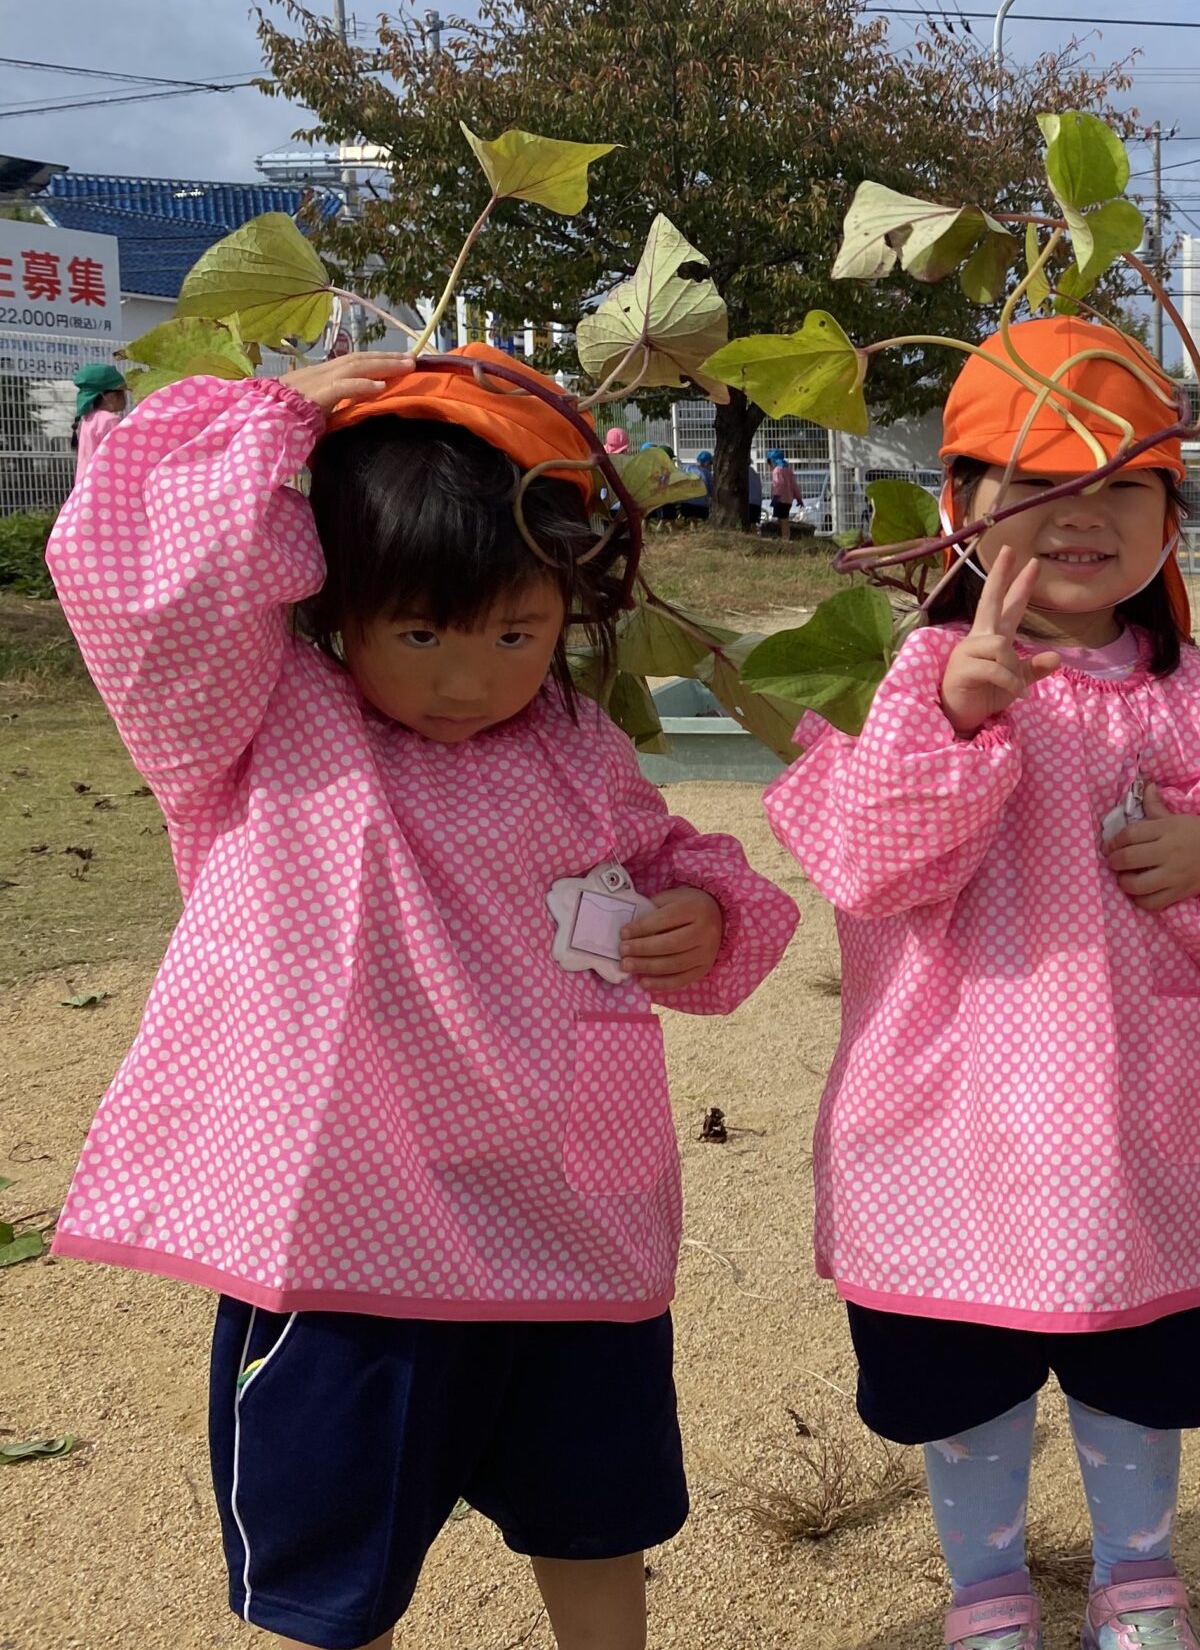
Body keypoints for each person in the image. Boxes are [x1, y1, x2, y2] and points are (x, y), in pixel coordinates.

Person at [43, 344, 800, 1650]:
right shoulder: (257, 723)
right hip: (349, 1242)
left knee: (595, 1512)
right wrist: (273, 416)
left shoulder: (575, 743)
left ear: (570, 605)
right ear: (338, 605)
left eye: (519, 630)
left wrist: (709, 915)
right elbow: (133, 568)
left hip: (566, 1223)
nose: (471, 675)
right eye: (422, 632)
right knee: (333, 1563)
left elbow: (673, 859)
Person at [764, 315, 1200, 1650]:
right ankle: (990, 1585)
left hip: (1144, 1121)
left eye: (1126, 485)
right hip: (954, 1128)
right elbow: (873, 868)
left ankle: (1138, 1570)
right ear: (958, 507)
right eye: (1041, 486)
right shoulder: (909, 682)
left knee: (1139, 1368)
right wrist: (952, 712)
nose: (1087, 517)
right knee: (967, 1385)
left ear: (1173, 512)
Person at [72, 359, 128, 476]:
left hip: (86, 485)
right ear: (111, 396)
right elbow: (121, 455)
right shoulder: (110, 420)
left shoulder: (88, 418)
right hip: (105, 484)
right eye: (123, 392)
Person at [764, 446, 804, 525]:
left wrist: (776, 496)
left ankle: (785, 536)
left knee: (783, 521)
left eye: (769, 462)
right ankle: (784, 536)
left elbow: (778, 483)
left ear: (773, 461)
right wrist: (798, 498)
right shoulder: (788, 471)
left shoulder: (777, 471)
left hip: (780, 500)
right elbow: (794, 485)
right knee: (784, 519)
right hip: (788, 500)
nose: (769, 465)